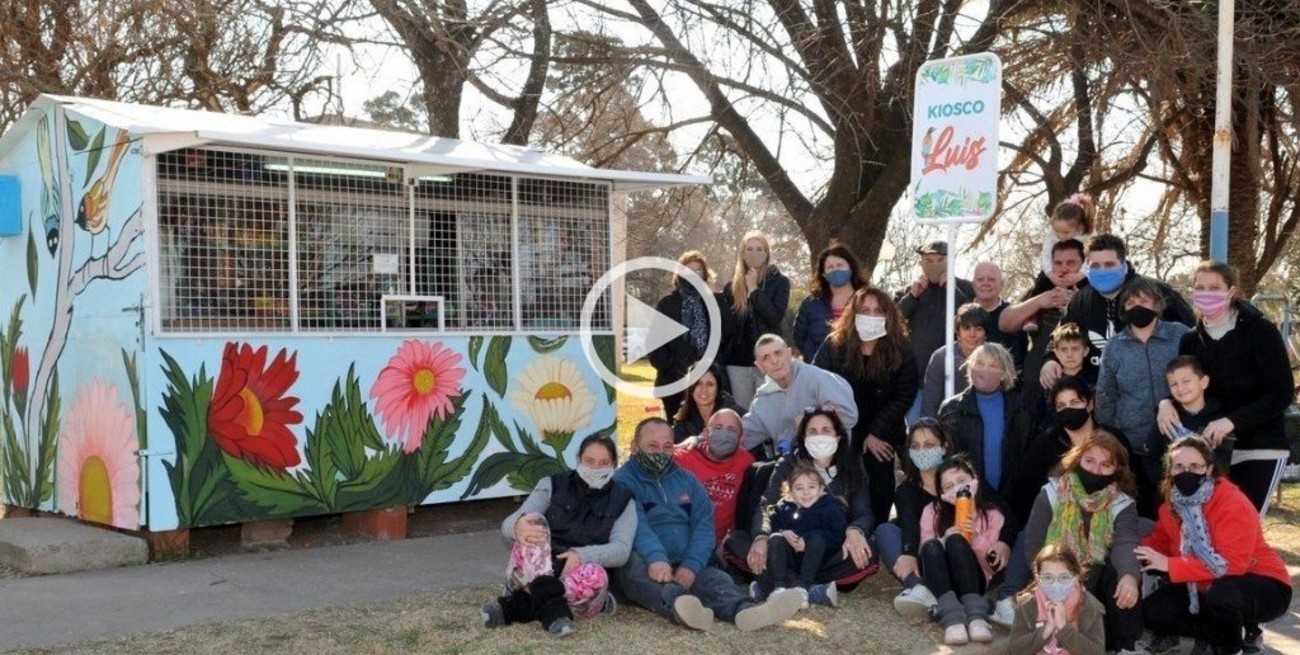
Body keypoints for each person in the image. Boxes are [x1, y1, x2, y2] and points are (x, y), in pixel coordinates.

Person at [614, 418, 803, 632]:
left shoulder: (687, 480)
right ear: (635, 446)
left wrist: (691, 565)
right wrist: (657, 559)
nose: (660, 452)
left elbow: (704, 525)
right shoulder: (622, 482)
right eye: (652, 446)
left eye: (667, 446)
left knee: (716, 579)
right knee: (632, 568)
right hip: (647, 560)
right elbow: (636, 526)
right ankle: (680, 605)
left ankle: (746, 611)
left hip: (686, 558)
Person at [1157, 261, 1294, 514]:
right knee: (1213, 528)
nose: (1206, 293)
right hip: (1213, 452)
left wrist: (1232, 421)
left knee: (1244, 528)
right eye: (1200, 287)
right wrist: (1166, 402)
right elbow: (1187, 382)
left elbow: (1282, 393)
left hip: (1259, 447)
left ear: (1231, 291)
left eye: (1214, 287)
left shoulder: (1261, 332)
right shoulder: (1190, 339)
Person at [1137, 436, 1292, 655]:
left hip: (1263, 583)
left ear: (1209, 469)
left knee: (1222, 595)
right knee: (1152, 612)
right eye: (1178, 466)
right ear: (1170, 471)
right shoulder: (1170, 506)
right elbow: (1158, 544)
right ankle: (1226, 632)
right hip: (1202, 586)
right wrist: (1127, 548)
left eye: (1195, 466)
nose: (1186, 472)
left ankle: (1232, 647)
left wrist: (1170, 565)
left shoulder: (1231, 501)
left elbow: (1232, 565)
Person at [482, 434, 635, 636]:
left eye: (603, 463)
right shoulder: (552, 484)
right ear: (578, 458)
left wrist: (582, 556)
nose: (595, 468)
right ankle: (555, 613)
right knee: (533, 520)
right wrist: (517, 526)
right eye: (589, 461)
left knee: (596, 574)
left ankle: (516, 605)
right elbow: (510, 522)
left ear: (614, 464)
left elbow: (622, 550)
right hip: (538, 565)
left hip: (578, 575)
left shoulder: (623, 499)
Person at [1022, 431, 1143, 654]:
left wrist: (1129, 576)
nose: (1096, 471)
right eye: (1089, 461)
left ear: (1117, 470)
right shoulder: (1052, 492)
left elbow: (1125, 543)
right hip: (1054, 576)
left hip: (1096, 578)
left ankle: (1126, 647)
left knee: (1123, 576)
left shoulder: (1122, 503)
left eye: (1106, 465)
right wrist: (1053, 577)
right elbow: (1033, 545)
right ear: (1077, 460)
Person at [739, 408, 876, 593]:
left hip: (829, 552)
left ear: (839, 436)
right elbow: (767, 505)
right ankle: (807, 587)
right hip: (786, 550)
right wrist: (761, 536)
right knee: (736, 541)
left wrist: (855, 530)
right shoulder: (789, 463)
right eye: (812, 431)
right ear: (803, 438)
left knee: (871, 551)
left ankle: (785, 581)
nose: (819, 436)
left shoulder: (852, 465)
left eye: (826, 430)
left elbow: (863, 512)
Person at [813, 286, 920, 523]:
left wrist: (875, 432)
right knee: (844, 484)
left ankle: (878, 532)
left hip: (883, 430)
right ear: (853, 314)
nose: (871, 316)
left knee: (881, 481)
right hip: (842, 429)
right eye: (865, 310)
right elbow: (817, 383)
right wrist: (849, 433)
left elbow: (905, 393)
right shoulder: (834, 346)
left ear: (888, 316)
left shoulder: (901, 348)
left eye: (878, 311)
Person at [1039, 233, 1194, 389]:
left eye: (1109, 264)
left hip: (1155, 395)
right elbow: (1060, 335)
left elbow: (1192, 336)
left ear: (1124, 265)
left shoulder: (1156, 292)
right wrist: (1050, 359)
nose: (1102, 270)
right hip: (1097, 394)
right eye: (1095, 265)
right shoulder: (1080, 300)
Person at [1096, 276, 1190, 517]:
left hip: (1177, 442)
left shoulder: (1180, 335)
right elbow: (1106, 394)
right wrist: (1112, 435)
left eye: (1144, 300)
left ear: (1157, 304)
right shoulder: (1115, 346)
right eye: (1130, 302)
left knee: (1177, 511)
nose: (1138, 306)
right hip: (1133, 446)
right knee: (1142, 513)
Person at [919, 454, 1015, 645]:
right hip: (942, 580)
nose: (957, 488)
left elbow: (992, 566)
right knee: (937, 543)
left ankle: (977, 616)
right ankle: (952, 619)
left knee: (957, 541)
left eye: (962, 481)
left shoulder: (992, 515)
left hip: (975, 581)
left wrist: (976, 537)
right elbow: (925, 551)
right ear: (942, 494)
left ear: (974, 481)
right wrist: (944, 538)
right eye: (948, 486)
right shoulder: (932, 511)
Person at [937, 343, 1037, 500]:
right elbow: (945, 458)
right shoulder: (951, 408)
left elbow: (1027, 458)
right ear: (970, 367)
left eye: (993, 365)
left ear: (1004, 374)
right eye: (979, 363)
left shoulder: (1022, 409)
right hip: (966, 500)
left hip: (1012, 499)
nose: (984, 370)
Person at [876, 418, 949, 619]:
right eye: (916, 446)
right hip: (922, 555)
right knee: (886, 530)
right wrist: (908, 552)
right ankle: (920, 590)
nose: (923, 451)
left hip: (956, 555)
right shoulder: (905, 490)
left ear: (944, 447)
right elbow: (909, 525)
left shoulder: (961, 478)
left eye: (929, 445)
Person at [740, 334, 858, 458]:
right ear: (759, 366)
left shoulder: (817, 379)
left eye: (778, 353)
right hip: (789, 466)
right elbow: (744, 437)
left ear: (790, 354)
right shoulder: (762, 399)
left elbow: (849, 415)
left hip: (832, 461)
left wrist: (811, 418)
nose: (774, 361)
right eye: (766, 358)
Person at [999, 239, 1087, 404]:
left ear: (1083, 265)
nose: (1063, 269)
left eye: (1071, 263)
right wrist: (1040, 301)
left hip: (1079, 393)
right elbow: (1005, 323)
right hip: (1036, 391)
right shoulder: (1042, 290)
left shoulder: (1094, 294)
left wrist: (1079, 303)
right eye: (1058, 263)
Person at [897, 241, 975, 424]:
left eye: (940, 260)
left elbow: (973, 320)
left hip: (958, 379)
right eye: (929, 260)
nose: (934, 265)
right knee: (921, 432)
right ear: (921, 263)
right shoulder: (908, 292)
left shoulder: (966, 288)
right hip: (917, 382)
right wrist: (912, 296)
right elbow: (893, 321)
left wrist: (952, 290)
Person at [753, 463, 847, 607]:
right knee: (775, 538)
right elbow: (774, 528)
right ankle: (779, 588)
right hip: (789, 563)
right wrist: (783, 533)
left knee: (817, 538)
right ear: (790, 492)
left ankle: (802, 587)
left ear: (821, 489)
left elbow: (837, 534)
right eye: (799, 488)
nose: (806, 492)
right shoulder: (782, 508)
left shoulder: (829, 507)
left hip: (819, 561)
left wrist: (808, 538)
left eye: (811, 487)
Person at [650, 252, 728, 423]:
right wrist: (674, 367)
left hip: (709, 378)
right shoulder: (667, 304)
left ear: (705, 274)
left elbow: (726, 336)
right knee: (678, 429)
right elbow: (655, 347)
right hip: (675, 380)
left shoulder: (714, 303)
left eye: (698, 270)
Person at [721, 231, 791, 408]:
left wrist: (754, 289)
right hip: (738, 363)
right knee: (742, 412)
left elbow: (774, 317)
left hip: (768, 359)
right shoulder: (732, 287)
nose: (754, 253)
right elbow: (728, 326)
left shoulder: (780, 282)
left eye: (760, 249)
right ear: (742, 253)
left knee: (770, 410)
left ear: (767, 253)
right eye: (749, 249)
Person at [674, 408, 756, 546]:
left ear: (742, 437)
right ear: (706, 433)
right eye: (718, 428)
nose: (724, 434)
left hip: (720, 547)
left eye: (732, 429)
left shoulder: (747, 463)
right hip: (681, 541)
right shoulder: (683, 458)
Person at [1007, 545, 1105, 655]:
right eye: (1048, 577)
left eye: (1063, 577)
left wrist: (1064, 628)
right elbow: (1014, 649)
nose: (1056, 585)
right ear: (1038, 579)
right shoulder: (1028, 604)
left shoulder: (1090, 608)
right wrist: (1045, 631)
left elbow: (1097, 652)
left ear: (1076, 577)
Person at [1021, 194, 1097, 334]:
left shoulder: (1089, 235)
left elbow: (1092, 258)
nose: (1061, 236)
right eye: (1057, 232)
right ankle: (1032, 315)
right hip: (1053, 270)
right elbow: (1046, 255)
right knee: (1041, 280)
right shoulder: (1052, 235)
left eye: (1066, 232)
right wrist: (1050, 274)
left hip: (1082, 271)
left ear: (1079, 226)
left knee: (1090, 281)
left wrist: (1080, 275)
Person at [793, 242, 868, 360]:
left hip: (860, 369)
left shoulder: (867, 299)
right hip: (820, 372)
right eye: (830, 267)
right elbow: (799, 336)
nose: (835, 270)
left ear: (851, 267)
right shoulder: (811, 303)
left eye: (840, 265)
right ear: (824, 274)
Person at [921, 303, 990, 418]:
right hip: (947, 420)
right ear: (958, 333)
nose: (972, 334)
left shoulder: (994, 357)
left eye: (978, 329)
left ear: (986, 334)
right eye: (967, 328)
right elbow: (930, 403)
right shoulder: (941, 357)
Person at [1165, 355, 1234, 467]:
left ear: (1204, 382)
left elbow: (1223, 462)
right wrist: (1169, 481)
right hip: (1172, 483)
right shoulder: (1167, 418)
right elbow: (1151, 457)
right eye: (1174, 384)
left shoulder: (1220, 421)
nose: (1180, 388)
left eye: (1186, 381)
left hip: (1211, 483)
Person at [971, 261, 1026, 370]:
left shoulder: (1015, 314)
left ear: (1001, 284)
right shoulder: (961, 315)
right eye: (980, 279)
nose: (986, 283)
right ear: (973, 284)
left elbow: (1024, 353)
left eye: (991, 279)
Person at [672, 362, 744, 443]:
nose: (704, 390)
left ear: (718, 389)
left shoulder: (737, 415)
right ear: (691, 389)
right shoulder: (683, 418)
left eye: (710, 384)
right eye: (698, 384)